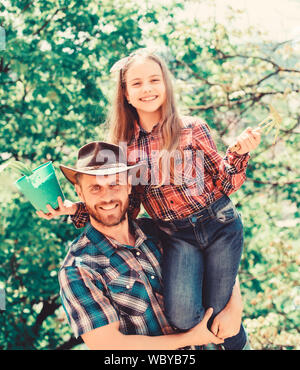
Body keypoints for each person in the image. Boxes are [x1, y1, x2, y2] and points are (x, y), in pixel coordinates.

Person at [38, 49, 258, 349]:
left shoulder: (192, 130)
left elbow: (223, 182)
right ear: (125, 94)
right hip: (178, 234)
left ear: (166, 85)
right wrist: (71, 210)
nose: (148, 89)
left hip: (217, 221)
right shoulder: (125, 151)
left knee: (221, 308)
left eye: (154, 80)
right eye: (137, 83)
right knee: (184, 316)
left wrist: (239, 154)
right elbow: (122, 204)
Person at [44, 141, 245, 350]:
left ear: (129, 185)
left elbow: (218, 255)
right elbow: (109, 345)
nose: (107, 197)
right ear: (79, 192)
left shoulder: (162, 229)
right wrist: (190, 339)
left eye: (115, 184)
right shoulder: (79, 269)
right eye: (95, 188)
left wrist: (234, 306)